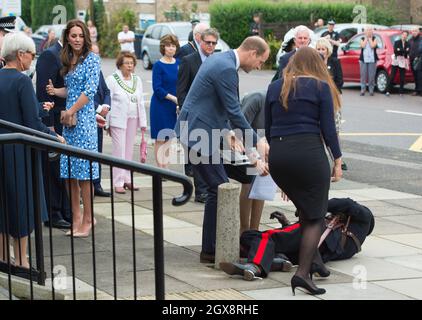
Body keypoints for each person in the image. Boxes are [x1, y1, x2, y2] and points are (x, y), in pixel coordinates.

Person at [174, 36, 271, 264]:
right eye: (261, 61)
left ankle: (211, 248)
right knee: (218, 189)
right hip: (198, 134)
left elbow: (218, 106)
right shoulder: (227, 68)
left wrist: (230, 135)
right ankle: (214, 249)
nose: (259, 67)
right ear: (252, 53)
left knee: (218, 188)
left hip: (201, 131)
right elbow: (235, 111)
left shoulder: (221, 60)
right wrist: (256, 142)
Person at [265, 47, 342, 295]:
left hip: (279, 156)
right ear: (316, 65)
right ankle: (302, 274)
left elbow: (267, 128)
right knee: (315, 216)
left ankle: (315, 261)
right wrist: (338, 159)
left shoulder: (275, 86)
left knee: (306, 209)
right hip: (308, 154)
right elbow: (329, 130)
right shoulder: (320, 87)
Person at [0, 32, 65, 269]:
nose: (32, 59)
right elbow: (31, 124)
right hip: (19, 153)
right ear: (19, 55)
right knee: (22, 206)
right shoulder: (22, 81)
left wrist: (38, 106)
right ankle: (23, 261)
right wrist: (54, 136)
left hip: (2, 149)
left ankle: (4, 259)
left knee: (3, 207)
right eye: (31, 54)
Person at [220, 198, 374, 281]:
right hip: (311, 253)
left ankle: (256, 266)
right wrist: (286, 224)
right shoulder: (352, 245)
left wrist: (307, 207)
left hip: (312, 235)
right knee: (257, 239)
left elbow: (346, 203)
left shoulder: (365, 217)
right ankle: (278, 261)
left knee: (262, 237)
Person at [46, 19, 101, 238]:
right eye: (73, 36)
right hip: (70, 123)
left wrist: (71, 111)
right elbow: (71, 90)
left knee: (85, 173)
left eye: (80, 36)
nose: (77, 39)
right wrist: (55, 91)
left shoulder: (92, 59)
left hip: (84, 122)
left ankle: (88, 219)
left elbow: (89, 91)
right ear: (67, 37)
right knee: (69, 172)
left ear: (85, 37)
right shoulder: (70, 59)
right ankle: (76, 218)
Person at [177, 28, 220, 203]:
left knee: (212, 154)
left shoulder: (218, 61)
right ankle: (201, 192)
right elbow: (181, 90)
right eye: (207, 42)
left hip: (214, 116)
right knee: (196, 154)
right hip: (194, 116)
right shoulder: (189, 61)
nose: (210, 46)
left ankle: (211, 189)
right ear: (200, 41)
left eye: (213, 43)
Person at [36, 31, 73, 229]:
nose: (77, 40)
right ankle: (53, 212)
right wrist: (48, 126)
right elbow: (43, 92)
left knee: (65, 168)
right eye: (74, 36)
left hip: (68, 118)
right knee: (54, 167)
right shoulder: (50, 55)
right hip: (55, 118)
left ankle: (66, 210)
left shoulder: (70, 55)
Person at [225, 90, 267, 234]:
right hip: (233, 142)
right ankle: (244, 229)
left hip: (258, 143)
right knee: (249, 180)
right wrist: (254, 159)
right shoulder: (257, 99)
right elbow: (238, 128)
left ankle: (254, 230)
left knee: (262, 179)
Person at [106, 51, 147, 194]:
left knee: (129, 150)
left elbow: (140, 101)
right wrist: (107, 123)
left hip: (133, 118)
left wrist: (143, 123)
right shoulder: (112, 79)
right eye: (127, 63)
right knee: (119, 151)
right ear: (120, 65)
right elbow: (108, 100)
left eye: (132, 63)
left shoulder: (137, 79)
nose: (130, 66)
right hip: (118, 119)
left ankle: (127, 179)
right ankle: (118, 181)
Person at [316, 38, 347, 171]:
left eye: (323, 49)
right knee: (320, 130)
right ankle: (321, 158)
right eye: (318, 49)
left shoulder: (334, 61)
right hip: (318, 100)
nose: (321, 51)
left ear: (328, 50)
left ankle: (338, 158)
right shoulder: (315, 64)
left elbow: (340, 81)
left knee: (334, 130)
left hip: (333, 98)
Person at [150, 34, 180, 169]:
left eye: (173, 46)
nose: (171, 48)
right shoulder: (158, 65)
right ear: (163, 47)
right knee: (160, 138)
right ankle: (160, 167)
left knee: (169, 137)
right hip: (160, 105)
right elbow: (157, 88)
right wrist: (173, 98)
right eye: (168, 46)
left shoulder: (179, 64)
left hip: (173, 106)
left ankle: (166, 167)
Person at [91, 44, 111, 197]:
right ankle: (89, 184)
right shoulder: (83, 70)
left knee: (98, 151)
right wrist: (98, 108)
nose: (96, 56)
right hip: (88, 117)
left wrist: (106, 105)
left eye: (98, 53)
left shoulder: (98, 71)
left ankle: (97, 184)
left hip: (100, 117)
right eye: (93, 53)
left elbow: (106, 91)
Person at [386, 31, 411, 97]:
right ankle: (388, 91)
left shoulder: (408, 43)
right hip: (396, 60)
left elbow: (408, 52)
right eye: (403, 34)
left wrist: (400, 50)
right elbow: (395, 50)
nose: (404, 36)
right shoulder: (397, 42)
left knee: (402, 77)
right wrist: (403, 50)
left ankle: (401, 92)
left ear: (407, 36)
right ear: (401, 35)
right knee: (392, 76)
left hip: (403, 60)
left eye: (406, 35)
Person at [359, 27, 378, 96]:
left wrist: (369, 39)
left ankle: (371, 90)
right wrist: (366, 38)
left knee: (371, 75)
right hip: (363, 59)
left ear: (372, 31)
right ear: (365, 32)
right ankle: (363, 90)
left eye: (370, 30)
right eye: (367, 30)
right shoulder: (362, 39)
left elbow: (373, 46)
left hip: (372, 60)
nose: (369, 31)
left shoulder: (374, 38)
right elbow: (363, 46)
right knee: (363, 75)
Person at [409, 27, 422, 96]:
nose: (414, 32)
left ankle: (420, 90)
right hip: (412, 59)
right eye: (413, 31)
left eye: (415, 31)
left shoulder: (421, 39)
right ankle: (417, 90)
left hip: (419, 60)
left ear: (418, 32)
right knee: (415, 75)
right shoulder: (410, 40)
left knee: (419, 75)